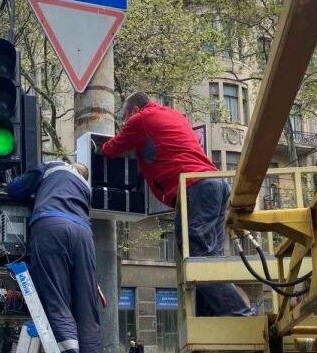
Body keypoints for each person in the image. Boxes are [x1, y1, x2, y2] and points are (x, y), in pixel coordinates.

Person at [101, 93, 253, 317]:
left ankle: (240, 316)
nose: (124, 123)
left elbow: (111, 148)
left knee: (197, 254)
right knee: (210, 258)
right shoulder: (173, 115)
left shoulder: (139, 120)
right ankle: (210, 327)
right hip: (216, 184)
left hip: (194, 187)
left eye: (124, 117)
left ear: (133, 110)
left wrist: (98, 149)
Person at [8, 161, 100, 353]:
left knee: (57, 303)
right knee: (86, 309)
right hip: (83, 234)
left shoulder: (53, 167)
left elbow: (16, 189)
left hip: (50, 226)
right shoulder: (85, 190)